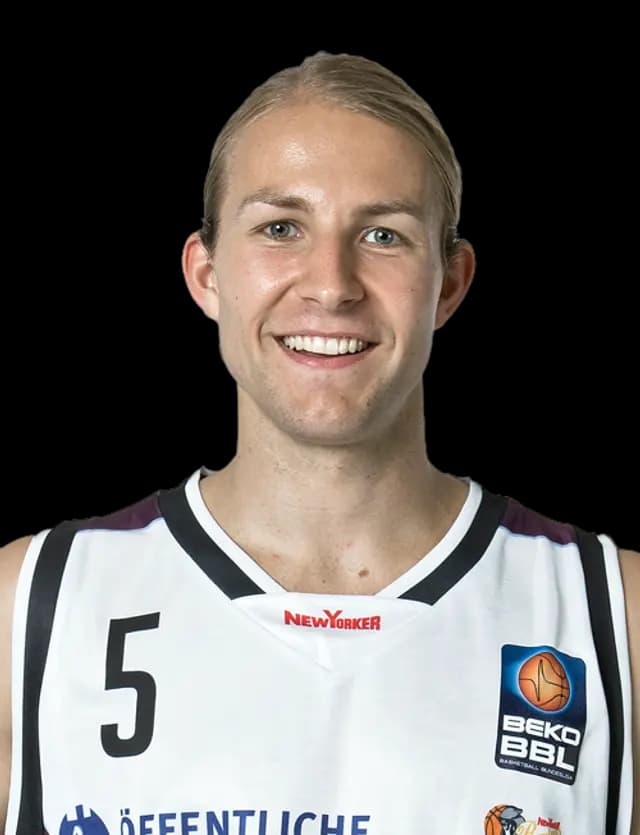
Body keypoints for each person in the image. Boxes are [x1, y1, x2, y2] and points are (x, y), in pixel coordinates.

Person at [0, 50, 637, 835]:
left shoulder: (613, 619)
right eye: (281, 228)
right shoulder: (29, 609)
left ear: (448, 283)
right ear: (206, 274)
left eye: (382, 234)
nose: (331, 284)